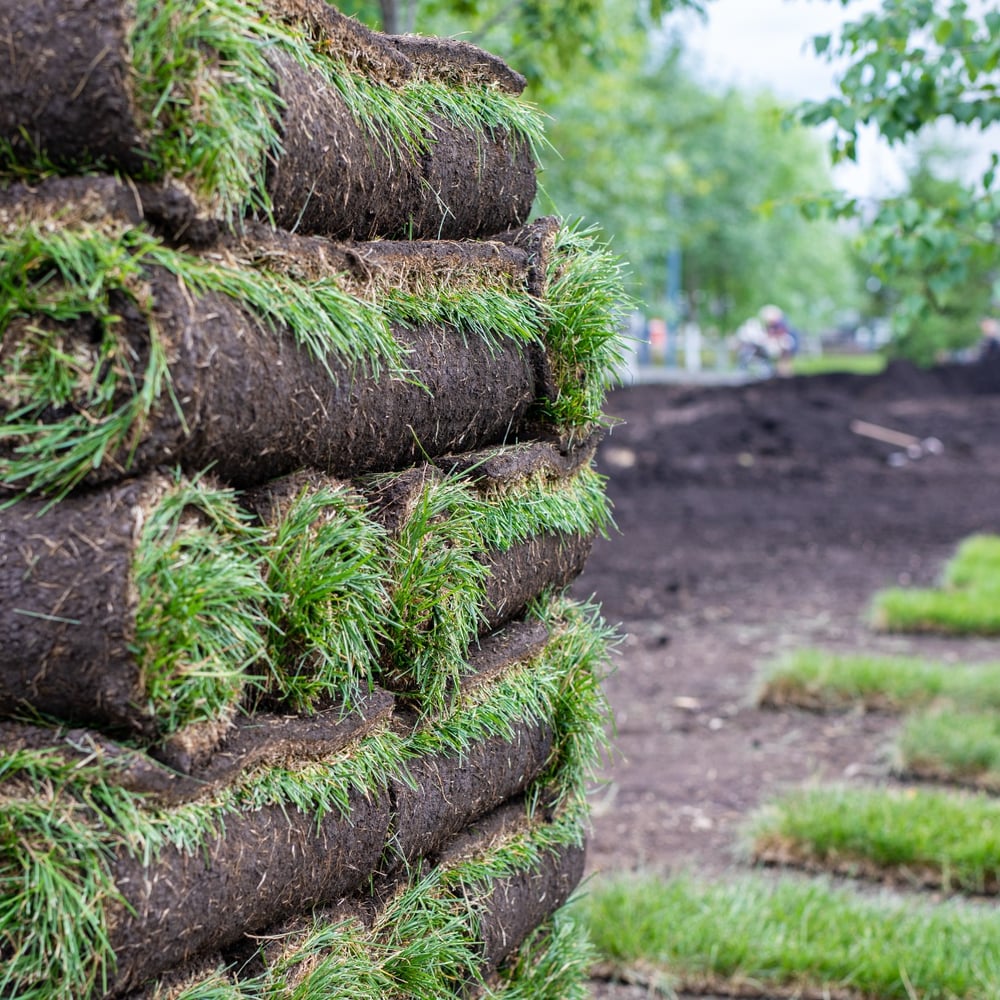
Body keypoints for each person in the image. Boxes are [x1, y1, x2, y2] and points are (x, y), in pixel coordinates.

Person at [759, 304, 799, 376]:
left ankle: (786, 374)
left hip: (784, 345)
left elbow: (783, 332)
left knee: (785, 360)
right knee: (780, 360)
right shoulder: (771, 325)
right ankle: (781, 374)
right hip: (779, 346)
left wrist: (773, 337)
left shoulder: (781, 322)